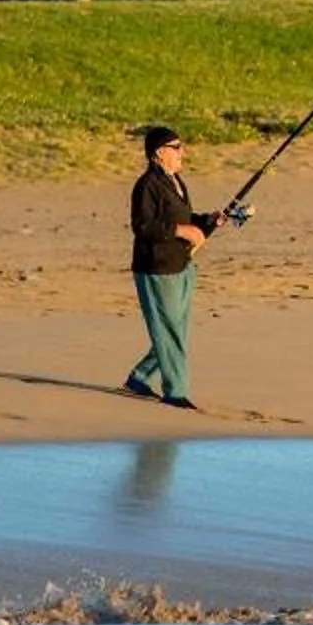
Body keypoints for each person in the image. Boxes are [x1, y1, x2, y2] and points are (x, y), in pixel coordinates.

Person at [125, 125, 216, 411]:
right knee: (169, 331)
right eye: (176, 147)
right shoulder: (147, 185)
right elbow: (143, 226)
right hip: (156, 268)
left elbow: (186, 219)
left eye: (181, 146)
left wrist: (208, 221)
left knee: (176, 330)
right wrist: (183, 230)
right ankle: (175, 391)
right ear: (159, 153)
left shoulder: (175, 180)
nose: (182, 152)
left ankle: (140, 377)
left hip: (181, 264)